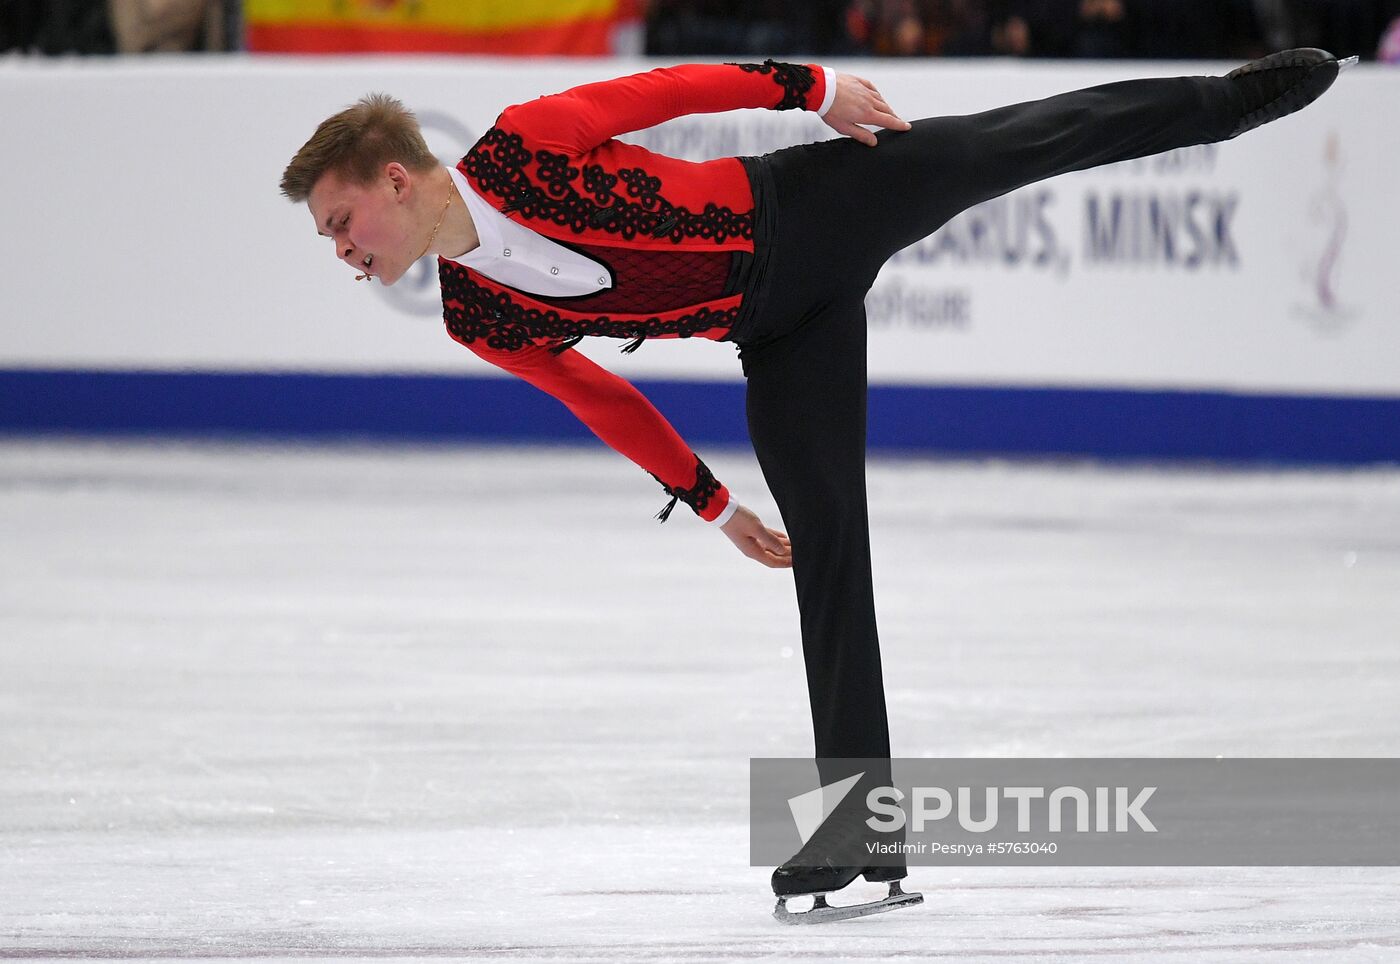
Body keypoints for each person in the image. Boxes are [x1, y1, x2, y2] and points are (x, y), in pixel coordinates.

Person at [280, 48, 1342, 924]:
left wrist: (813, 90)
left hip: (816, 206)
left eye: (339, 222)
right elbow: (595, 398)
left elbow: (672, 90)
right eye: (328, 237)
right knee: (827, 546)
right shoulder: (479, 317)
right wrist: (712, 503)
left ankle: (1223, 99)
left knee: (1009, 141)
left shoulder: (522, 145)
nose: (339, 249)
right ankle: (859, 823)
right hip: (780, 332)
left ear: (394, 182)